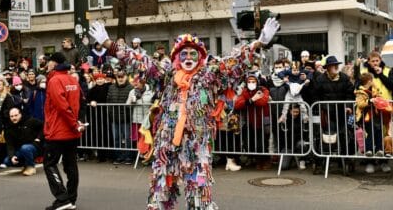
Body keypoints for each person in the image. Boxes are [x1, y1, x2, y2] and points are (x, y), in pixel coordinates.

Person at [88, 17, 280, 210]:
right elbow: (140, 61)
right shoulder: (167, 76)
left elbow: (233, 62)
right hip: (167, 144)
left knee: (198, 192)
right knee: (160, 191)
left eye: (193, 54)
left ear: (200, 56)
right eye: (184, 54)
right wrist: (108, 44)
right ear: (176, 57)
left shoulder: (208, 75)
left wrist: (259, 42)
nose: (188, 58)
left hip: (197, 145)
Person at [43, 52, 85, 210]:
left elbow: (62, 107)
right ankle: (71, 199)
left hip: (58, 130)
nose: (47, 64)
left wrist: (74, 123)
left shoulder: (54, 80)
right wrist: (77, 123)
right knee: (71, 165)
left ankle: (62, 198)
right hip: (71, 131)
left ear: (54, 63)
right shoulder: (73, 80)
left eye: (48, 62)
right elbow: (81, 102)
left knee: (50, 164)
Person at [3, 107, 43, 176]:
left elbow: (44, 126)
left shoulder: (30, 121)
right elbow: (9, 145)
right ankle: (26, 165)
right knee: (7, 161)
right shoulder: (8, 128)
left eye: (16, 115)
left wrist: (39, 138)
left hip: (34, 148)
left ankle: (31, 167)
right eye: (11, 116)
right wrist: (12, 156)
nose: (14, 118)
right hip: (20, 150)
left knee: (25, 148)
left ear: (20, 114)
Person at [106, 69, 133, 165]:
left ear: (126, 77)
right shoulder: (111, 87)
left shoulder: (131, 87)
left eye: (122, 76)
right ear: (116, 78)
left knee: (127, 138)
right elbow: (108, 101)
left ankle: (128, 157)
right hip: (114, 117)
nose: (120, 78)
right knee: (116, 138)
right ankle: (118, 157)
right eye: (119, 77)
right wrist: (110, 114)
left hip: (126, 118)